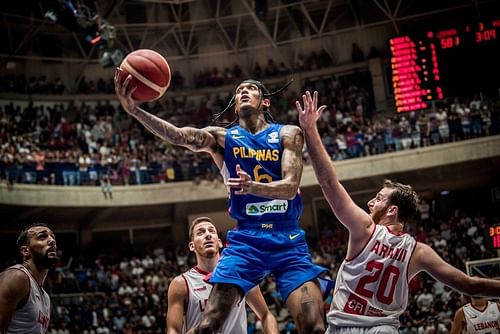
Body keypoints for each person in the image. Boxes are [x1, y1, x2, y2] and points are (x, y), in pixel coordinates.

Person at [115, 71, 328, 333]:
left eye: (250, 89)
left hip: (288, 238)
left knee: (314, 326)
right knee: (208, 324)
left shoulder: (288, 133)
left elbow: (290, 187)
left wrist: (252, 187)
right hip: (247, 241)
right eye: (239, 91)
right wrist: (135, 111)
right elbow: (179, 136)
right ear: (235, 104)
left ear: (265, 102)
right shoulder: (223, 138)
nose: (243, 93)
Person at [296, 90, 500, 333]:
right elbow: (470, 285)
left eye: (378, 198)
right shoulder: (419, 252)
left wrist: (310, 130)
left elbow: (329, 183)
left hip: (345, 327)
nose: (370, 203)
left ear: (392, 210)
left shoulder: (365, 229)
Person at [166, 216, 279, 334]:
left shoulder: (241, 273)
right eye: (200, 232)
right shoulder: (181, 283)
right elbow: (173, 330)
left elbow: (266, 315)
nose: (207, 235)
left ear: (219, 242)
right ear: (192, 246)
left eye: (211, 231)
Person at [0, 223, 57, 333]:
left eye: (52, 237)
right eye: (42, 237)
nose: (52, 241)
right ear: (26, 251)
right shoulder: (17, 277)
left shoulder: (46, 298)